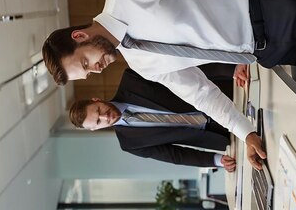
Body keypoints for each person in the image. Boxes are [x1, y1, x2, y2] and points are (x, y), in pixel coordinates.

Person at [42, 0, 296, 169]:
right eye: (87, 73)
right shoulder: (142, 64)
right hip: (268, 52)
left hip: (273, 2)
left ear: (80, 36)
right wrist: (244, 131)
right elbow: (200, 94)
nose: (95, 70)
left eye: (85, 62)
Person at [69, 67, 236, 170]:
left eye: (99, 110)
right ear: (95, 129)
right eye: (99, 121)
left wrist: (230, 70)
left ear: (96, 100)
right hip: (219, 133)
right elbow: (174, 155)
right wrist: (216, 160)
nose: (105, 117)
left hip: (226, 93)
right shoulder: (130, 144)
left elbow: (185, 70)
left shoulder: (131, 79)